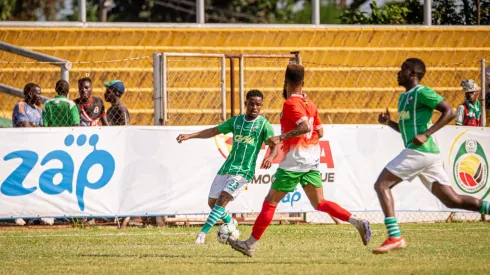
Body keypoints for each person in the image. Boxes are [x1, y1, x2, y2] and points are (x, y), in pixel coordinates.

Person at [228, 64, 371, 257]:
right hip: (311, 160)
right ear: (302, 83)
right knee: (319, 202)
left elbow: (304, 127)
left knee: (270, 202)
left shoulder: (290, 104)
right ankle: (357, 221)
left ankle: (250, 244)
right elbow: (319, 131)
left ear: (286, 82)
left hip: (294, 162)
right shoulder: (310, 103)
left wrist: (282, 137)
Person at [373, 58, 490, 254]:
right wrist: (389, 123)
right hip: (427, 155)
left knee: (381, 185)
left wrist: (427, 133)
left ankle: (395, 236)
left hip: (421, 152)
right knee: (452, 201)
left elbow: (450, 111)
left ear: (412, 74)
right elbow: (407, 132)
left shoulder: (422, 92)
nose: (398, 73)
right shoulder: (404, 98)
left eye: (403, 70)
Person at [176, 89, 278, 244]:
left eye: (258, 105)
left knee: (223, 198)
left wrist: (270, 156)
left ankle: (202, 234)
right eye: (251, 104)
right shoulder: (236, 121)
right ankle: (230, 222)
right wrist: (191, 136)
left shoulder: (264, 125)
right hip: (227, 168)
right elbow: (214, 130)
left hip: (244, 171)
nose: (255, 108)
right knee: (213, 203)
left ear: (261, 106)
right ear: (246, 104)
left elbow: (275, 145)